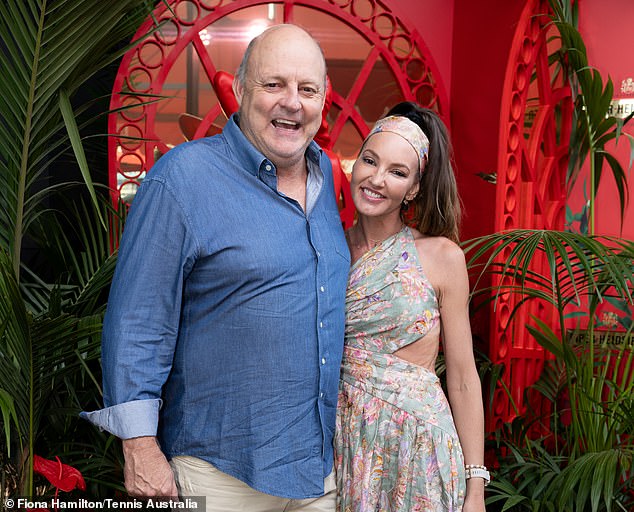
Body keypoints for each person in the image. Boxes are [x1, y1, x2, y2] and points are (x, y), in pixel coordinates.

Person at [81, 24, 350, 511]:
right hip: (218, 471)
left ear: (323, 100)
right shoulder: (183, 178)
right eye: (274, 85)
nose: (293, 102)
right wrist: (139, 447)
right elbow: (138, 319)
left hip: (318, 470)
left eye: (308, 89)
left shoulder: (326, 178)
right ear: (241, 90)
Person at [334, 102, 487, 512]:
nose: (377, 179)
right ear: (356, 162)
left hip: (417, 442)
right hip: (346, 440)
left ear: (415, 188)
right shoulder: (327, 249)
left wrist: (476, 488)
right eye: (370, 161)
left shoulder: (441, 256)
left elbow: (462, 378)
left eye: (397, 172)